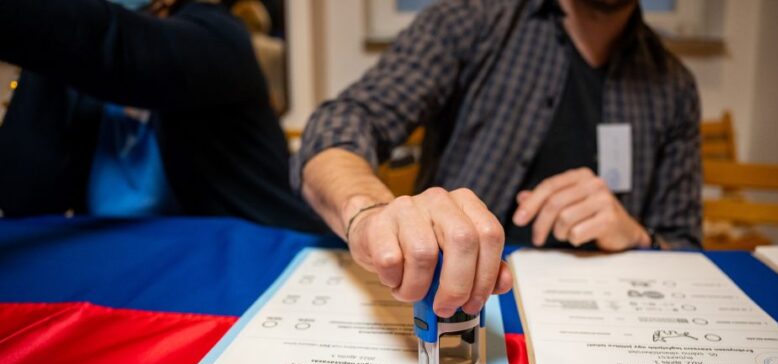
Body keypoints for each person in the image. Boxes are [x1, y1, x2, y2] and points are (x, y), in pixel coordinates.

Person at [293, 0, 701, 316]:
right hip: (453, 302)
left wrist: (639, 237)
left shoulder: (674, 87)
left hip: (599, 315)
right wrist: (368, 213)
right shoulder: (473, 20)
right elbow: (343, 121)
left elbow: (685, 247)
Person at [0, 0, 322, 231]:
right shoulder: (75, 70)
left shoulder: (219, 38)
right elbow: (22, 198)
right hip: (123, 258)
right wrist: (42, 73)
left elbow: (118, 48)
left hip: (241, 250)